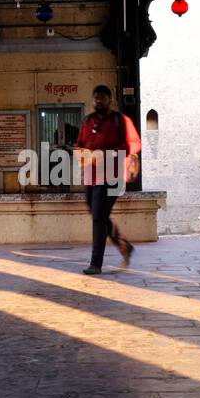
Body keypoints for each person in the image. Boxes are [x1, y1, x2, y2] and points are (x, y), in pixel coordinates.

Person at [74, 85, 141, 275]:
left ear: (110, 100)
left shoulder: (121, 121)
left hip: (113, 176)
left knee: (98, 218)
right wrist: (82, 154)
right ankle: (124, 247)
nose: (98, 101)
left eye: (102, 98)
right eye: (96, 98)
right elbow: (79, 146)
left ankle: (96, 263)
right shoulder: (87, 121)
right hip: (91, 176)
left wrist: (107, 154)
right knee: (99, 215)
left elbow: (134, 144)